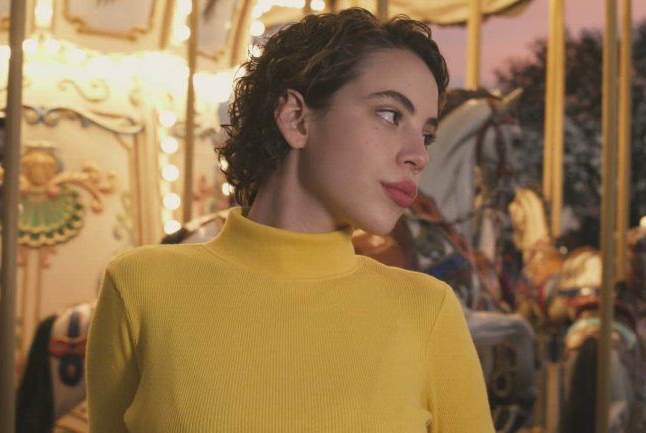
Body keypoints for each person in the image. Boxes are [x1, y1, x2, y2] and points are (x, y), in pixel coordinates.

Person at [86, 8, 494, 433]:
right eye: (391, 115)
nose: (419, 155)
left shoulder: (427, 310)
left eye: (426, 135)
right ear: (296, 119)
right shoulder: (139, 287)